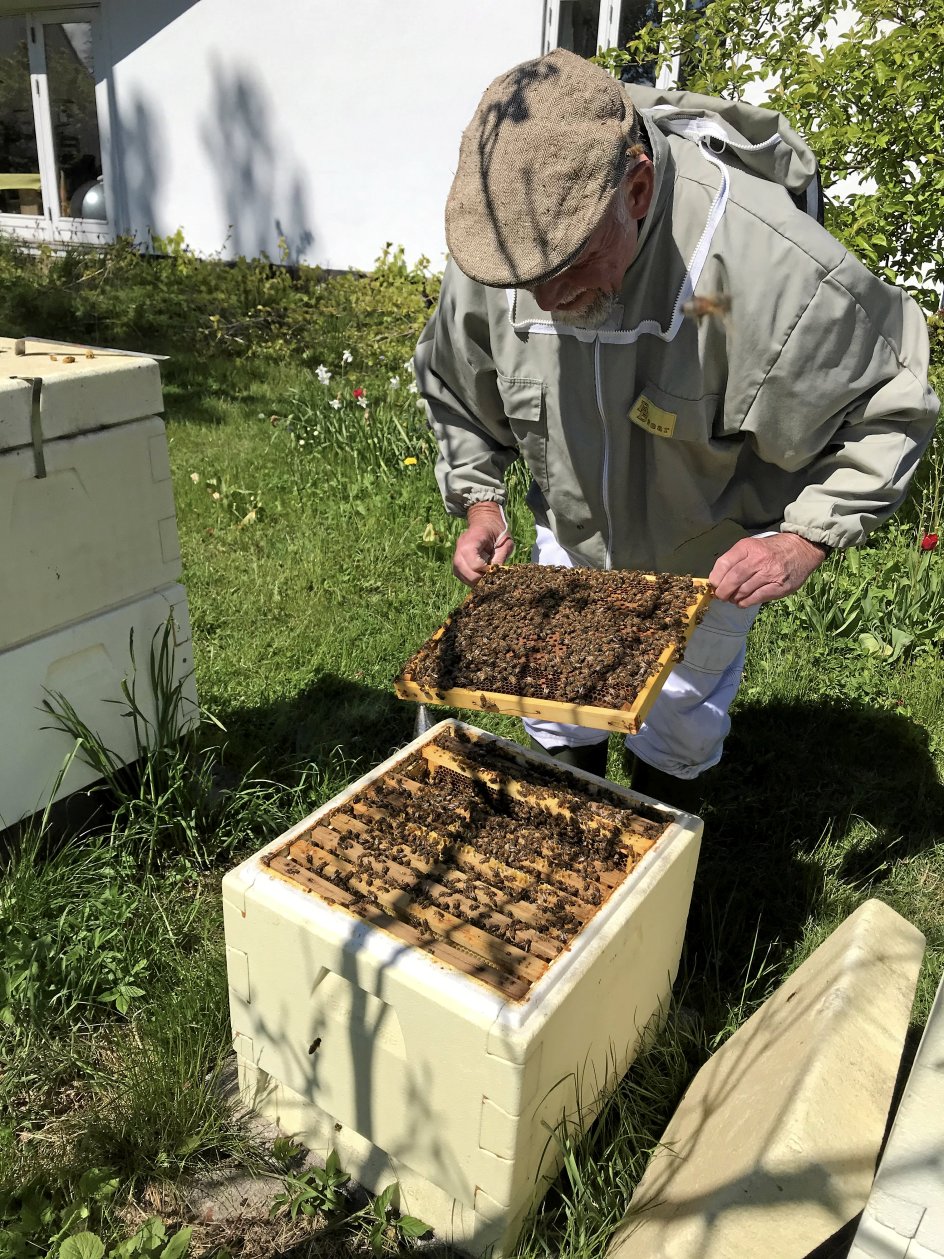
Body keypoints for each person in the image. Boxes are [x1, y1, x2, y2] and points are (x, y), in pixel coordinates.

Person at [414, 47, 939, 803]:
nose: (548, 297)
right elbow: (457, 383)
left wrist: (805, 539)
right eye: (529, 280)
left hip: (707, 551)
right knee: (557, 718)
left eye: (574, 265)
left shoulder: (767, 268)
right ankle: (575, 860)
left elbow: (891, 403)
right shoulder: (507, 247)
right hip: (571, 529)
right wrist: (480, 498)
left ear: (637, 186)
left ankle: (661, 863)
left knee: (679, 729)